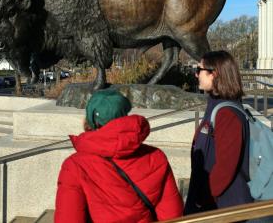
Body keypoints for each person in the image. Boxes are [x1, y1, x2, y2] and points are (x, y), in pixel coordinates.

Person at [55, 89, 183, 223]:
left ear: (91, 120)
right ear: (125, 115)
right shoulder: (156, 157)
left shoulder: (74, 166)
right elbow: (172, 215)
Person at [184, 50, 253, 214]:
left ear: (213, 74)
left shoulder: (227, 114)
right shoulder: (215, 107)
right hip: (211, 203)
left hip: (222, 207)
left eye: (199, 70)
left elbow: (225, 167)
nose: (196, 75)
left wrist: (202, 199)